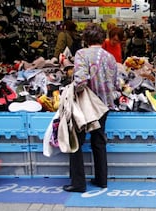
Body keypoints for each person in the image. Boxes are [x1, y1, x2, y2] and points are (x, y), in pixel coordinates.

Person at [63, 23, 120, 192]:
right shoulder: (110, 57)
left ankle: (78, 183)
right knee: (99, 141)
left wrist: (71, 88)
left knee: (76, 142)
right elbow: (116, 83)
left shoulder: (81, 54)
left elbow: (80, 81)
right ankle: (101, 179)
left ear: (85, 39)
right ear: (102, 39)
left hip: (85, 105)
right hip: (103, 105)